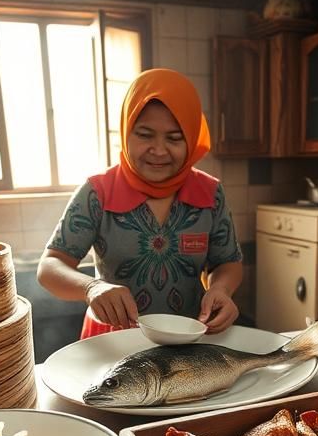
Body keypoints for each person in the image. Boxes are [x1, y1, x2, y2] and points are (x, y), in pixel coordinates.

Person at [37, 68, 243, 337]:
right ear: (125, 132)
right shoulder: (98, 192)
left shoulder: (210, 193)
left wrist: (221, 289)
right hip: (112, 340)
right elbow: (50, 266)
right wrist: (92, 288)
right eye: (145, 135)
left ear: (191, 138)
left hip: (189, 338)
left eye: (174, 138)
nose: (158, 150)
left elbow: (228, 263)